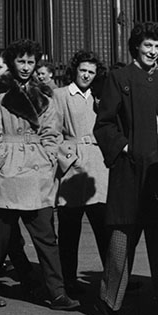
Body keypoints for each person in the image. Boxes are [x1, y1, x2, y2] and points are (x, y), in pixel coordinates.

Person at [0, 39, 78, 311]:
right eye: (21, 61)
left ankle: (57, 293)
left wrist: (46, 161)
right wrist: (2, 162)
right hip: (7, 171)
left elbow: (52, 133)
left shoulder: (45, 93)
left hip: (36, 171)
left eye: (31, 62)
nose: (26, 67)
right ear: (12, 62)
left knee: (46, 237)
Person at [92, 22, 158, 315]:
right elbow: (103, 124)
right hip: (130, 173)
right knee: (121, 240)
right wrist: (125, 149)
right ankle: (108, 302)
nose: (153, 52)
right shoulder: (119, 78)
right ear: (136, 47)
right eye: (148, 46)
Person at [52, 50, 110, 294]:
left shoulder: (100, 96)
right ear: (74, 70)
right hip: (73, 171)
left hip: (98, 167)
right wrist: (68, 159)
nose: (86, 75)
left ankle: (115, 282)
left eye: (91, 72)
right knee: (69, 231)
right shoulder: (60, 95)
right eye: (83, 70)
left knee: (105, 229)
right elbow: (52, 133)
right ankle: (68, 281)